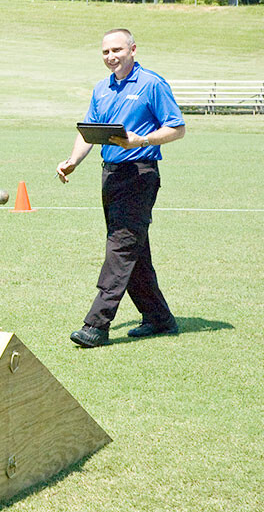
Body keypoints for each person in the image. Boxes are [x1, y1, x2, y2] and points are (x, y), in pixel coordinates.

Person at [56, 29, 185, 348]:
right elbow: (89, 131)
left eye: (117, 50)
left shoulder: (152, 84)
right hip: (111, 174)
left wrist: (141, 139)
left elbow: (177, 128)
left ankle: (96, 325)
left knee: (121, 247)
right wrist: (73, 160)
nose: (111, 56)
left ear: (132, 50)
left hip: (140, 174)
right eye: (105, 52)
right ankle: (158, 318)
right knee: (133, 250)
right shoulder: (102, 88)